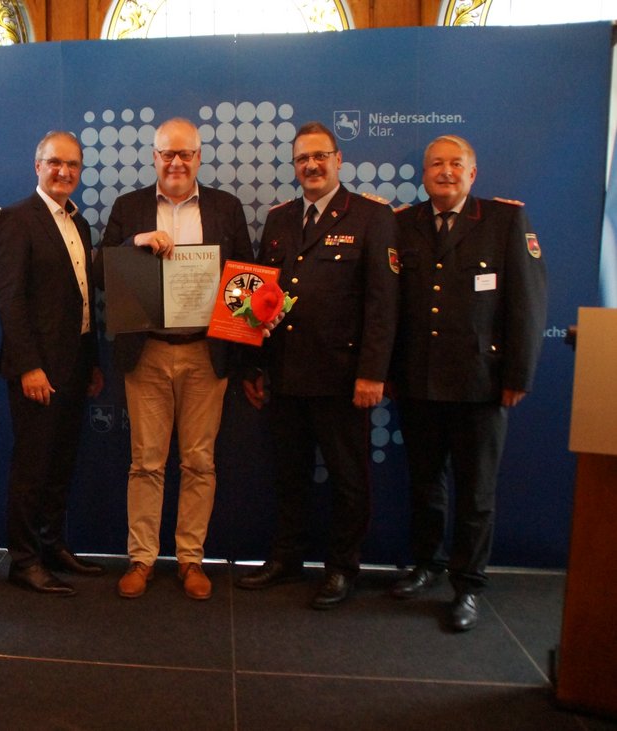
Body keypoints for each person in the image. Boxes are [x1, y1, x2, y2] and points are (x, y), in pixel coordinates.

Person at [238, 121, 399, 610]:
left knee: (348, 479)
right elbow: (262, 297)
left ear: (338, 160)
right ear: (294, 166)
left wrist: (373, 373)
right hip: (285, 372)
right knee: (289, 475)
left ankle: (342, 568)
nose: (311, 165)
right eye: (303, 158)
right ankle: (287, 558)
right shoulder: (280, 218)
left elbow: (383, 303)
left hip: (342, 377)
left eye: (320, 156)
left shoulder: (371, 216)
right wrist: (255, 366)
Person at [389, 135, 547, 631]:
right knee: (424, 484)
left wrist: (518, 375)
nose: (445, 172)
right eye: (436, 164)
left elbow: (528, 303)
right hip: (418, 381)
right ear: (423, 174)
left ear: (472, 173)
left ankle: (468, 585)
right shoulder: (402, 224)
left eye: (455, 164)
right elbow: (390, 306)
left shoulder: (504, 221)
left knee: (476, 493)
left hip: (481, 384)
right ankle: (427, 564)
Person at [99, 117, 253, 600]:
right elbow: (100, 272)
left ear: (199, 157)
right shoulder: (129, 208)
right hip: (146, 352)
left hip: (206, 354)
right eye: (167, 153)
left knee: (199, 462)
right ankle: (142, 558)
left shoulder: (226, 208)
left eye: (185, 153)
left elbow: (244, 279)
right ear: (154, 157)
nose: (176, 162)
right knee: (145, 462)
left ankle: (190, 559)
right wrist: (135, 244)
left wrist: (249, 342)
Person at [0, 132, 105, 597]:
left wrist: (91, 362)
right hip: (37, 369)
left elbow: (83, 299)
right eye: (55, 162)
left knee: (60, 464)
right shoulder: (17, 219)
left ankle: (52, 545)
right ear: (37, 166)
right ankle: (24, 560)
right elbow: (10, 299)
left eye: (72, 165)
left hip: (75, 363)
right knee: (32, 467)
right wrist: (28, 367)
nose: (64, 171)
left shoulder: (79, 223)